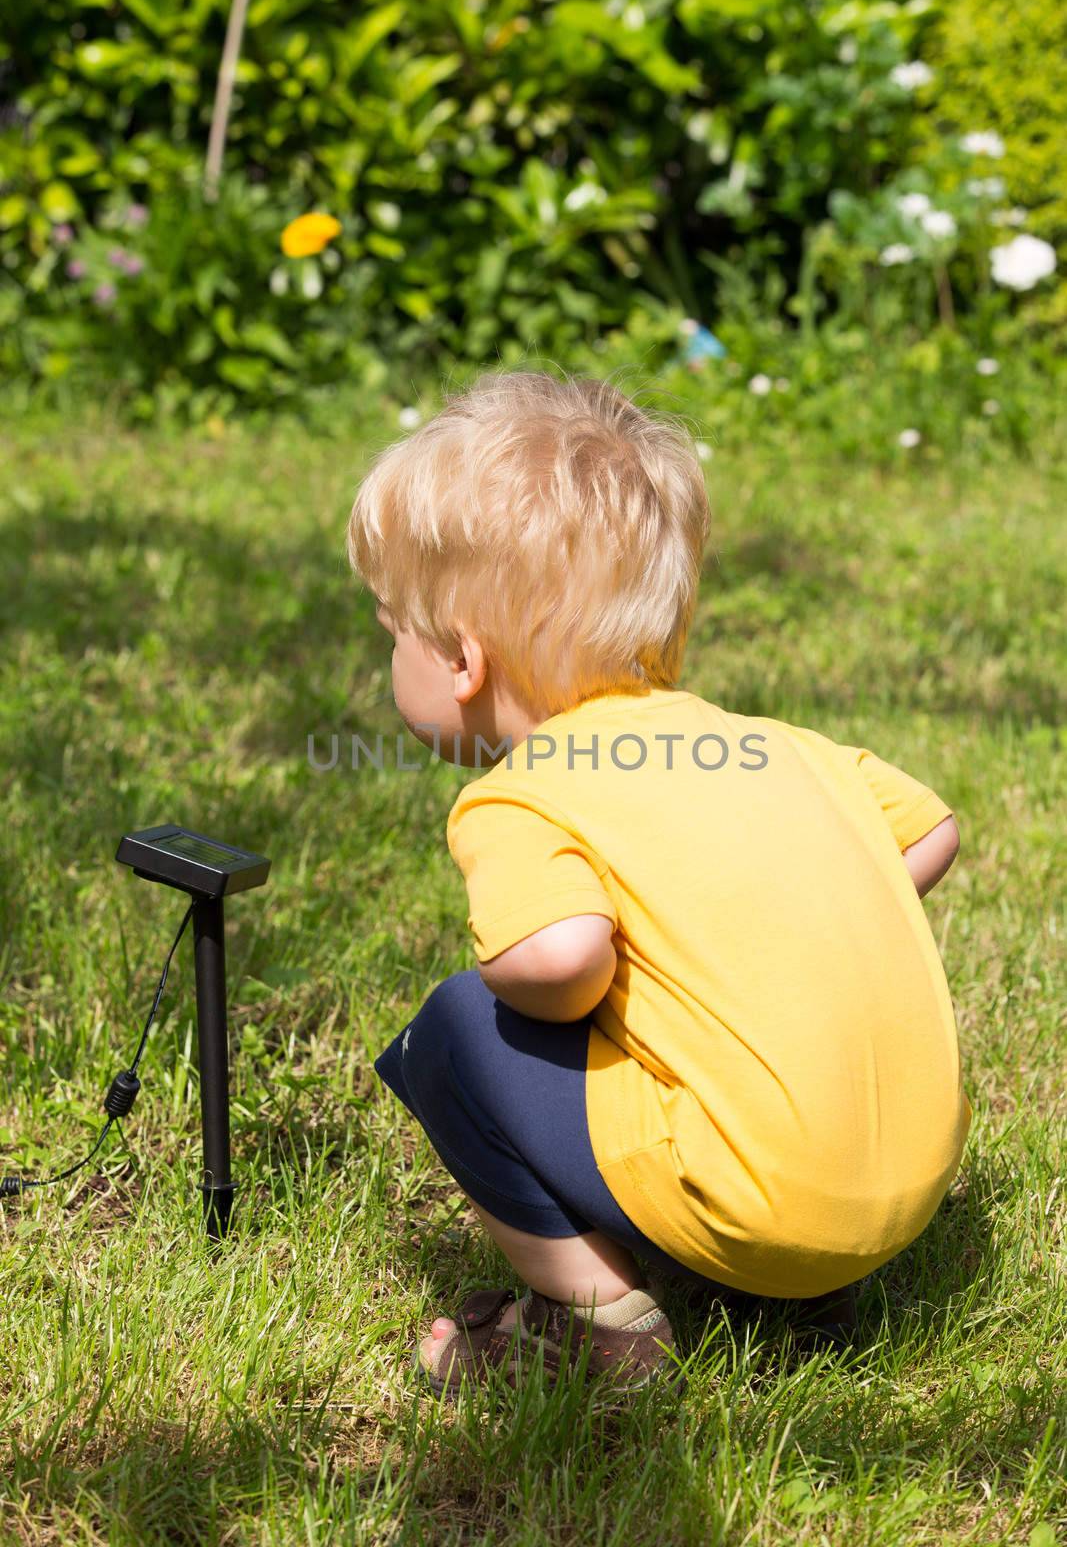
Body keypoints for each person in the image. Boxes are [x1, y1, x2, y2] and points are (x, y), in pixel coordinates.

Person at [346, 371, 970, 1401]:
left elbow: (558, 959)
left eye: (390, 633)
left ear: (461, 659)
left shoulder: (522, 796)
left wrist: (567, 986)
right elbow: (930, 828)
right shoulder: (776, 747)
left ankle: (593, 1329)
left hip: (763, 1205)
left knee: (453, 1031)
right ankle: (796, 1300)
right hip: (899, 1197)